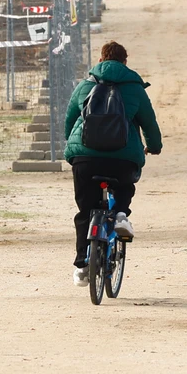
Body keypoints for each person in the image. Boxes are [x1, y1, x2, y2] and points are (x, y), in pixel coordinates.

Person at [64, 40, 162, 286]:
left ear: (100, 60)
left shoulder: (85, 85)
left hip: (85, 158)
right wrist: (154, 147)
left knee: (85, 211)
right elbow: (149, 123)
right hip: (122, 156)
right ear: (125, 62)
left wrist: (74, 145)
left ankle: (82, 265)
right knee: (125, 186)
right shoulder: (135, 88)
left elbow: (69, 119)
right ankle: (120, 214)